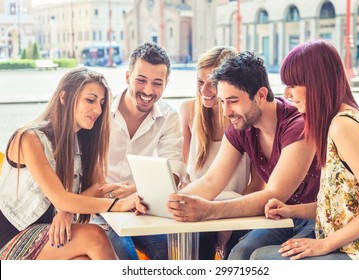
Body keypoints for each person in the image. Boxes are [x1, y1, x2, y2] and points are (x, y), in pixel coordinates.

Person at [136, 51, 321, 260]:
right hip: (282, 217)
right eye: (222, 101)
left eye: (232, 101)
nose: (226, 111)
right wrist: (166, 202)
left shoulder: (298, 125)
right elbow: (212, 180)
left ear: (260, 95)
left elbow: (275, 193)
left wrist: (209, 210)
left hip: (316, 218)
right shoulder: (242, 126)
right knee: (239, 254)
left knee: (250, 258)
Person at [250, 40, 359, 260]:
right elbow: (343, 206)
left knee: (260, 258)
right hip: (355, 246)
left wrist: (323, 244)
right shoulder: (340, 121)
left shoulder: (343, 126)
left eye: (293, 85)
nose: (286, 94)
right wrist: (290, 210)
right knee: (256, 253)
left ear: (317, 83)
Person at [0, 67, 136, 260]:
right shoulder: (29, 138)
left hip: (49, 236)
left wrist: (66, 211)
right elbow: (60, 198)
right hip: (11, 238)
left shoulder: (83, 142)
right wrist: (118, 205)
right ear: (64, 97)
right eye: (90, 100)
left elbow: (98, 187)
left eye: (102, 103)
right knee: (95, 236)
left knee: (85, 262)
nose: (98, 110)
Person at [92, 42, 186, 260]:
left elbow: (174, 170)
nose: (148, 90)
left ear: (166, 84)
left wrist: (136, 190)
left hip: (140, 206)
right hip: (98, 208)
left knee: (170, 254)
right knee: (123, 254)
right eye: (141, 80)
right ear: (127, 77)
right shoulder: (100, 111)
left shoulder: (169, 117)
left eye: (157, 83)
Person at [179, 46, 263, 259]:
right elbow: (183, 172)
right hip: (200, 207)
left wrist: (229, 223)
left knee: (236, 248)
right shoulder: (188, 111)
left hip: (238, 208)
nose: (204, 91)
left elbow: (257, 184)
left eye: (213, 84)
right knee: (198, 240)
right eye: (200, 82)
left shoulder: (246, 120)